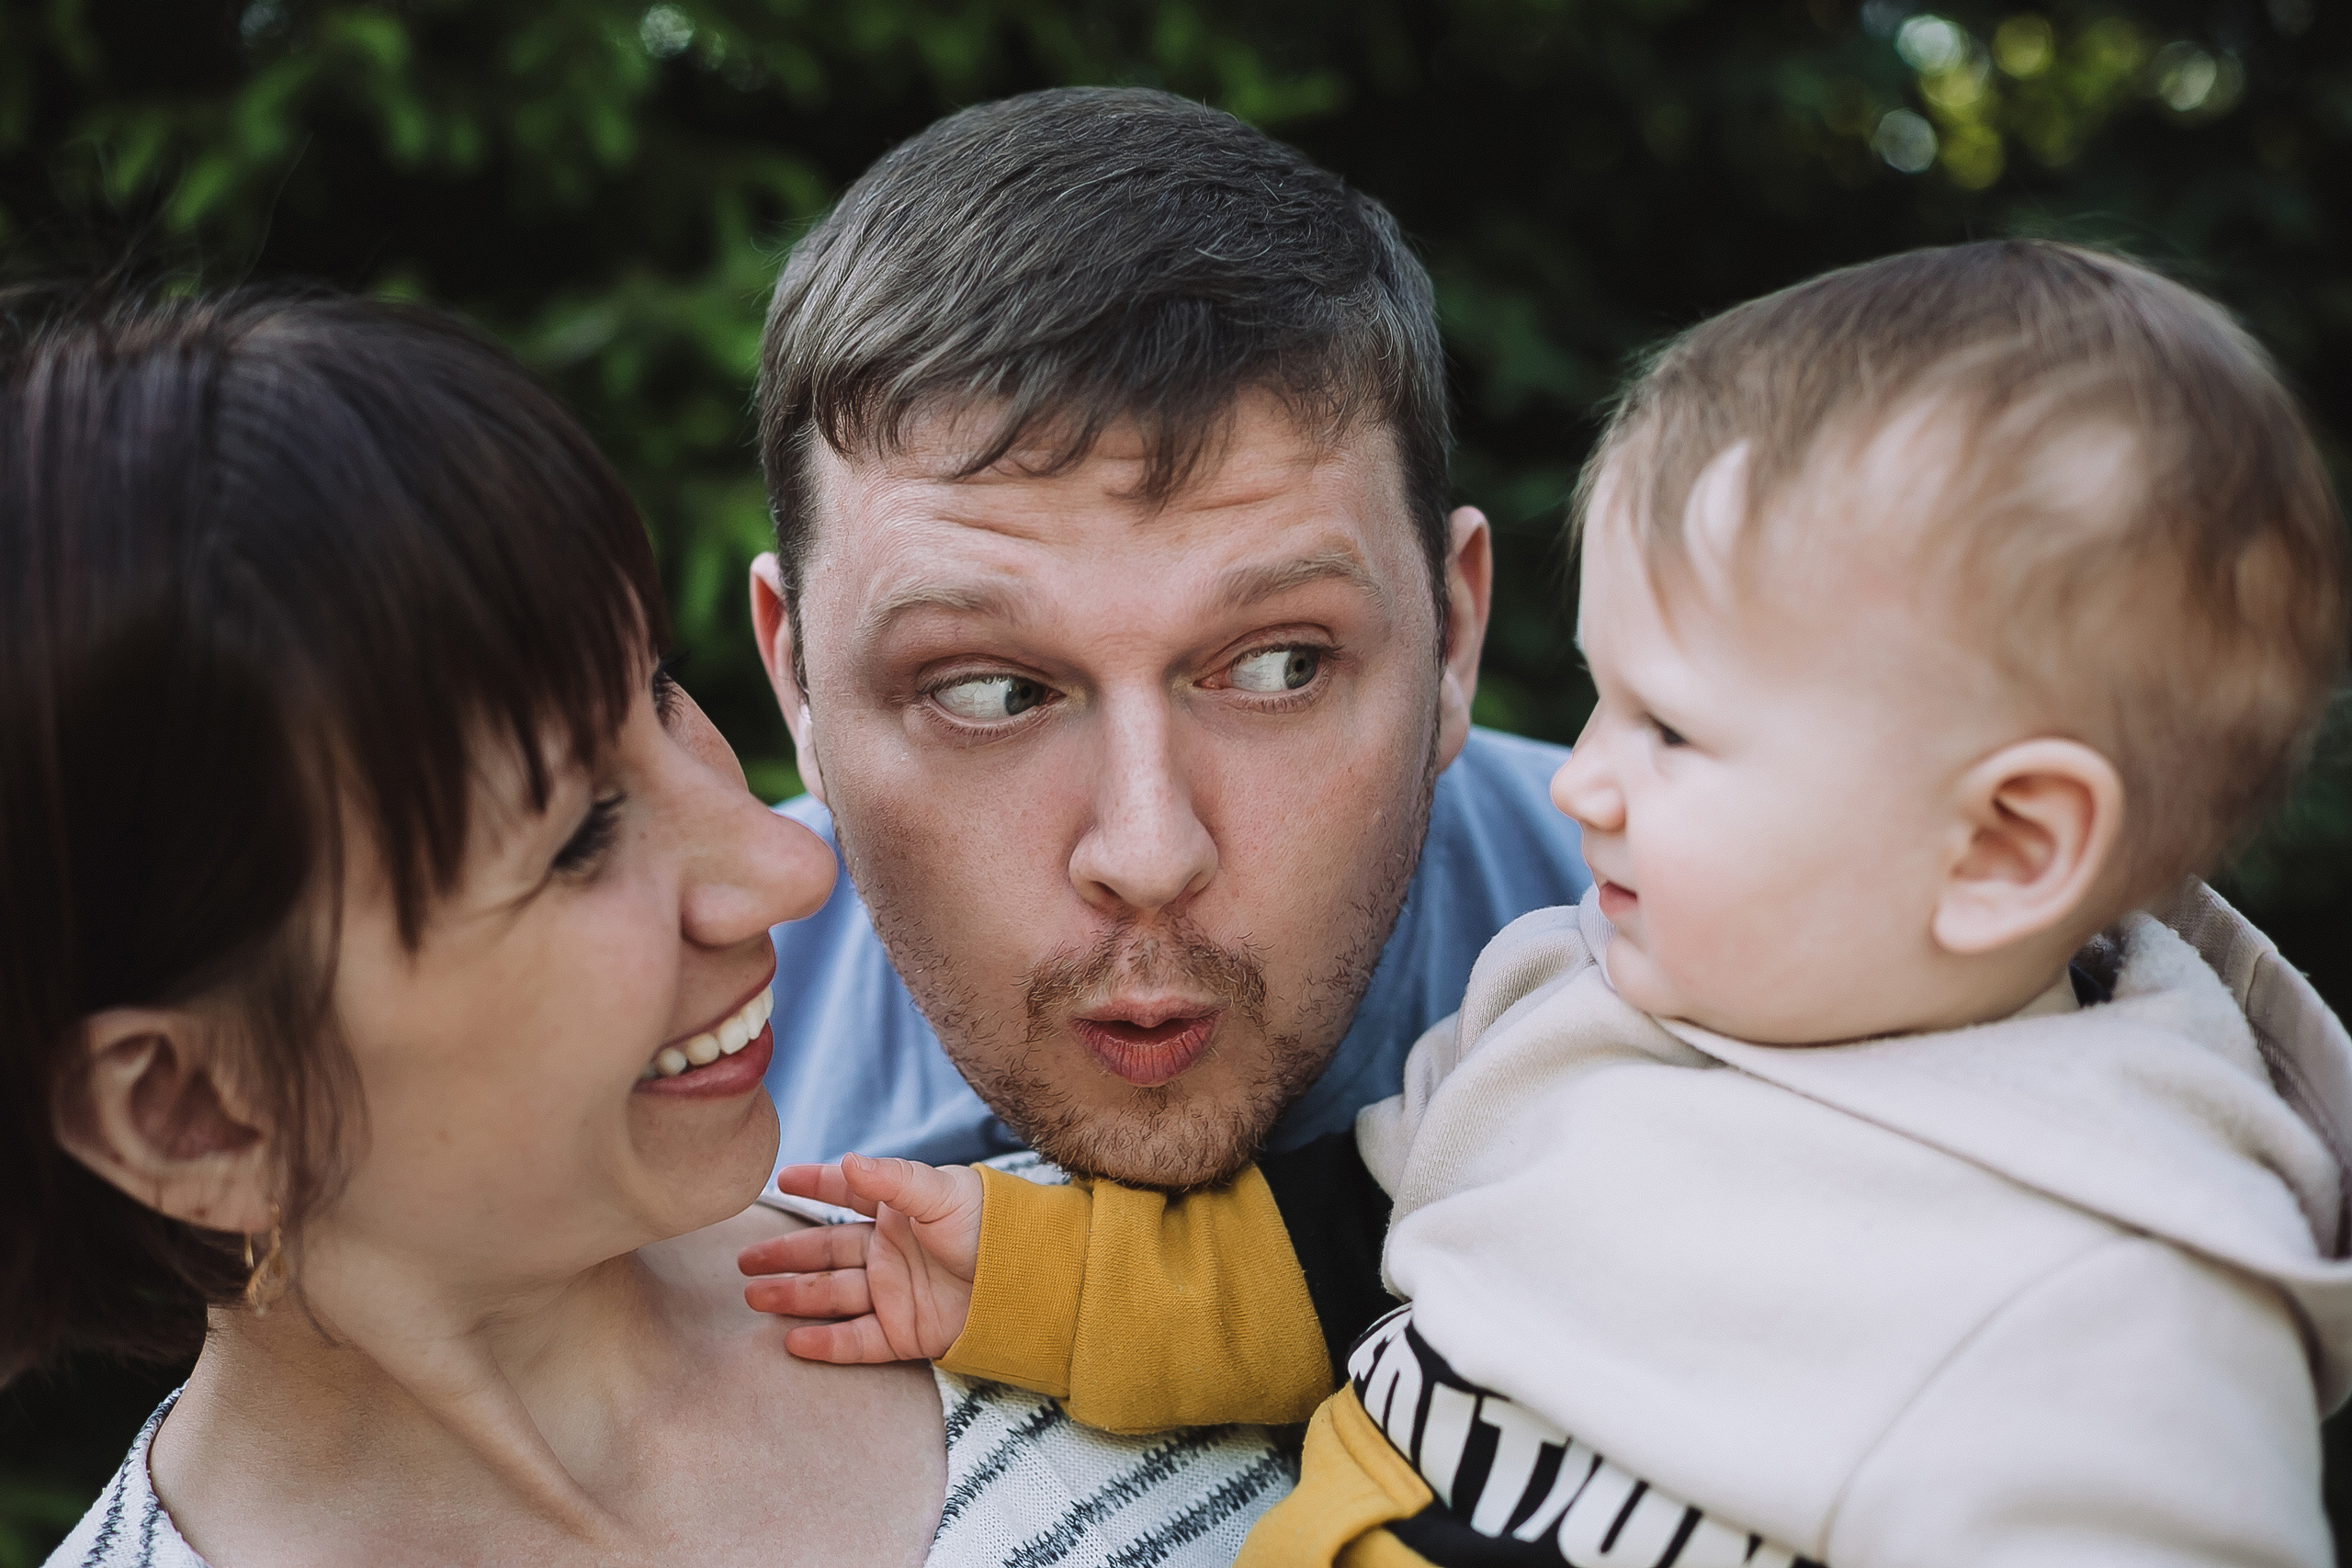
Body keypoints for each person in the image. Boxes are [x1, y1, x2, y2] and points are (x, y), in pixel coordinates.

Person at [753, 243, 2352, 1566]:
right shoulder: (1569, 998)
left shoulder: (2122, 1309)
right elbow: (1331, 1261)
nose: (1580, 783)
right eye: (989, 687)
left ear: (2008, 844)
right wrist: (1022, 1278)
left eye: (1675, 733)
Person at [4, 285, 1289, 1568]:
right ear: (190, 1109)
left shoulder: (1144, 1289)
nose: (789, 860)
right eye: (574, 832)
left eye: (661, 693)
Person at [740, 86, 1589, 1186]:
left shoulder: (1728, 975)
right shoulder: (628, 1099)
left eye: (1281, 667)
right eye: (989, 692)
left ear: (1452, 639)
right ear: (795, 679)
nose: (1147, 857)